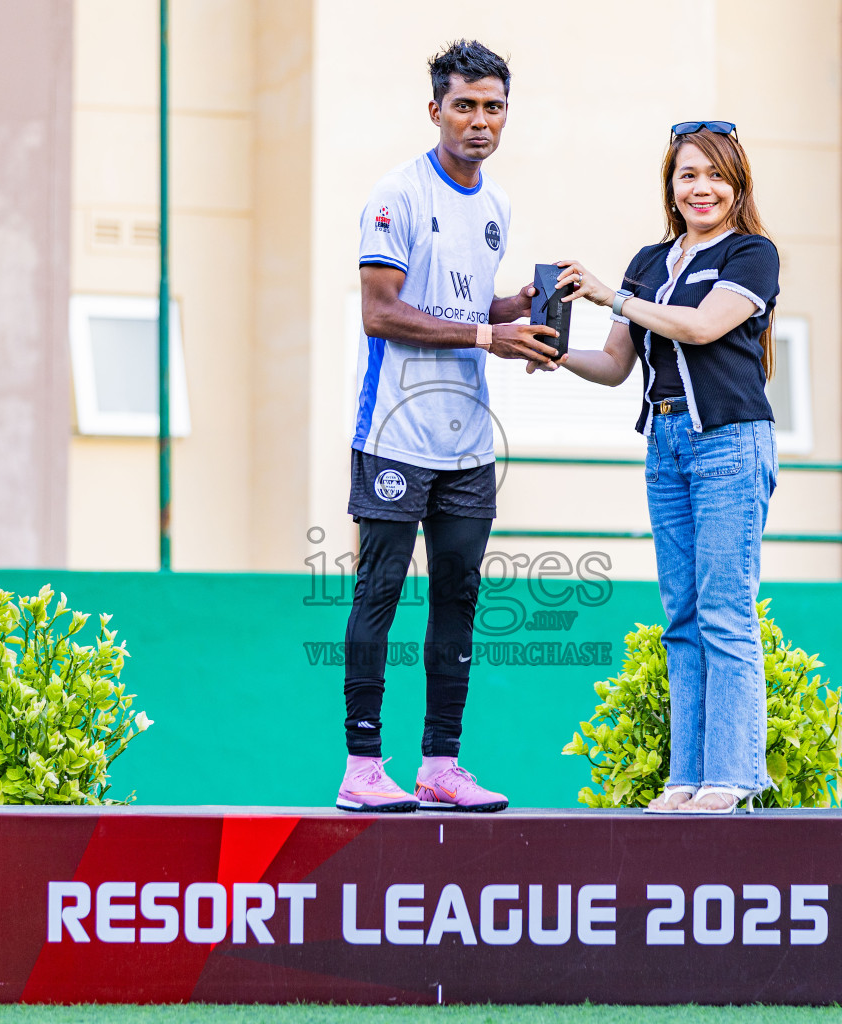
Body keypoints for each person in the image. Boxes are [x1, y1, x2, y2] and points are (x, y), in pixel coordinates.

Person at [336, 40, 561, 814]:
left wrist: (519, 308)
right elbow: (382, 311)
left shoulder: (495, 206)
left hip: (467, 442)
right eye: (463, 106)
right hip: (395, 434)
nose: (479, 121)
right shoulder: (394, 196)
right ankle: (362, 768)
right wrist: (484, 335)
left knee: (459, 598)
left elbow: (466, 309)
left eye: (493, 107)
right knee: (380, 595)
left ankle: (441, 765)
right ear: (434, 110)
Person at [545, 121, 780, 814]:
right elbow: (617, 364)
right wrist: (548, 353)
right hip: (666, 443)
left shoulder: (752, 253)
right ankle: (687, 778)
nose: (701, 187)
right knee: (681, 616)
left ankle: (733, 778)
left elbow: (703, 326)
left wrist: (608, 296)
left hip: (730, 441)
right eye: (687, 175)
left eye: (714, 174)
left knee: (725, 612)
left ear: (737, 183)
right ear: (670, 187)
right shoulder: (649, 260)